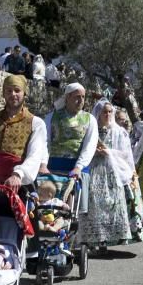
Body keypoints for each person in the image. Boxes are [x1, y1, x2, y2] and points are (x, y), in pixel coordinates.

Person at [82, 100, 134, 248]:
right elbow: (84, 148)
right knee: (93, 202)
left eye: (110, 112)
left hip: (112, 170)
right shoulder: (91, 131)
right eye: (105, 112)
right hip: (94, 169)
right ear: (98, 113)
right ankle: (93, 238)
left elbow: (125, 154)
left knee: (111, 203)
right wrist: (94, 152)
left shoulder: (119, 131)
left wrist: (108, 152)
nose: (107, 114)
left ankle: (109, 238)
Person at [44, 83, 98, 215]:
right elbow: (45, 142)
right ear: (67, 97)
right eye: (77, 97)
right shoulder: (51, 117)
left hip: (76, 170)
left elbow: (89, 146)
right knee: (49, 209)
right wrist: (43, 164)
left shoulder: (89, 119)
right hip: (53, 168)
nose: (81, 100)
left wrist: (79, 166)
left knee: (73, 214)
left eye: (83, 97)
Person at [0, 75, 47, 192]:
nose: (13, 94)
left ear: (24, 93)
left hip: (17, 184)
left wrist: (18, 174)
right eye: (9, 91)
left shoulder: (36, 123)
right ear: (3, 94)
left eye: (17, 90)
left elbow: (35, 155)